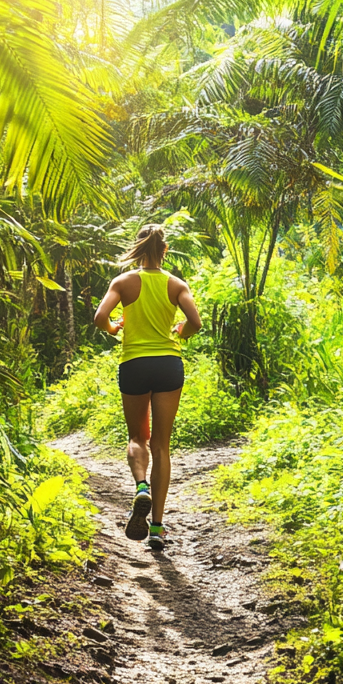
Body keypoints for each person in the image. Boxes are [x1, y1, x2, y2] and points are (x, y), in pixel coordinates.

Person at [93, 224, 202, 550]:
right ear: (164, 250)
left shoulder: (123, 282)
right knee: (162, 446)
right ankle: (156, 526)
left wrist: (114, 328)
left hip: (135, 365)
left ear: (138, 248)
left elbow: (100, 316)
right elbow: (195, 323)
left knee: (138, 437)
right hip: (168, 365)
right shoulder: (176, 284)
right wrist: (179, 333)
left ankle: (141, 487)